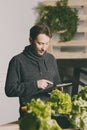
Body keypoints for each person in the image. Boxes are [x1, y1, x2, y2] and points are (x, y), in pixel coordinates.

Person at [5, 23, 62, 118]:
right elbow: (10, 90)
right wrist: (35, 85)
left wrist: (59, 88)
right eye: (40, 43)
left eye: (47, 43)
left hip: (53, 112)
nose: (44, 48)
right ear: (30, 41)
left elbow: (57, 83)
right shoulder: (17, 61)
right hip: (30, 113)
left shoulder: (51, 59)